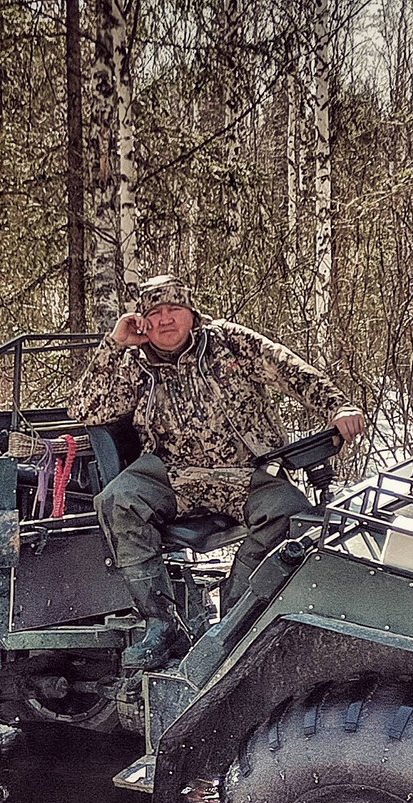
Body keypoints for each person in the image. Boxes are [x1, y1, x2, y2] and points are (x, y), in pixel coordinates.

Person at [70, 274, 367, 669]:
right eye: (154, 313)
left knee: (290, 512)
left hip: (245, 472)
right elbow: (84, 411)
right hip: (174, 475)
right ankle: (161, 624)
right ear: (142, 322)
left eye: (174, 309)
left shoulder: (230, 343)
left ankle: (234, 620)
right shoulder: (134, 365)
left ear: (191, 312)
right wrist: (115, 345)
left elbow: (290, 370)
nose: (165, 320)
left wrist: (338, 406)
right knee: (117, 500)